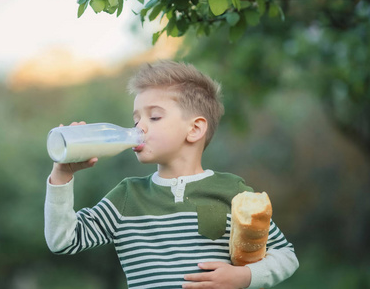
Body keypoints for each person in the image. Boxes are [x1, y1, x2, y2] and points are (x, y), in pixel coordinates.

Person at [44, 61, 299, 289]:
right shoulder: (127, 196)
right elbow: (63, 240)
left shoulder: (233, 191)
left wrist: (244, 277)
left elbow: (285, 255)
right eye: (136, 120)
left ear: (195, 129)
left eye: (154, 117)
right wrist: (62, 175)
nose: (139, 127)